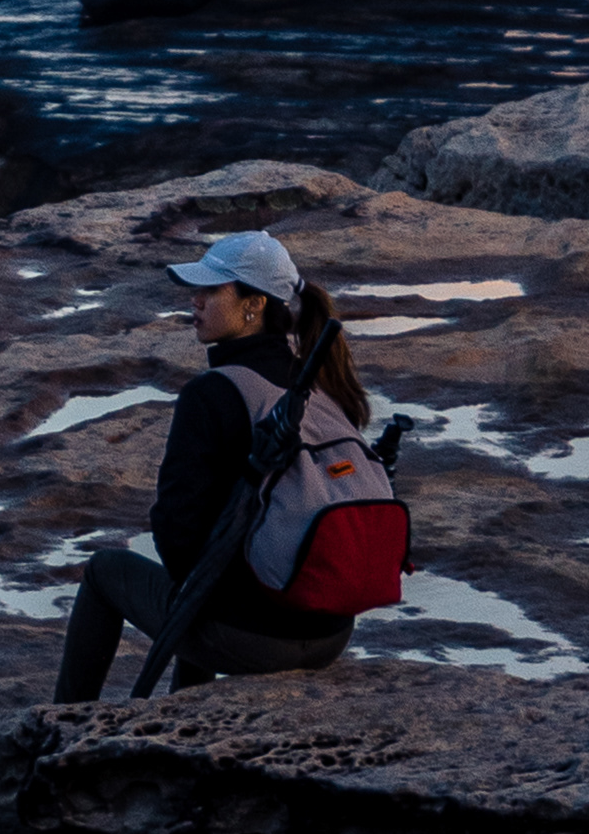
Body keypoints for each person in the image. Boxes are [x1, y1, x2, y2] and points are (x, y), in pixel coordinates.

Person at [52, 222, 372, 704]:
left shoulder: (214, 393)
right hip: (330, 631)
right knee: (214, 553)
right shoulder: (319, 385)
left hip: (260, 641)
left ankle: (65, 725)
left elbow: (177, 534)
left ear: (254, 304)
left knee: (106, 572)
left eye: (210, 290)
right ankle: (187, 710)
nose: (195, 301)